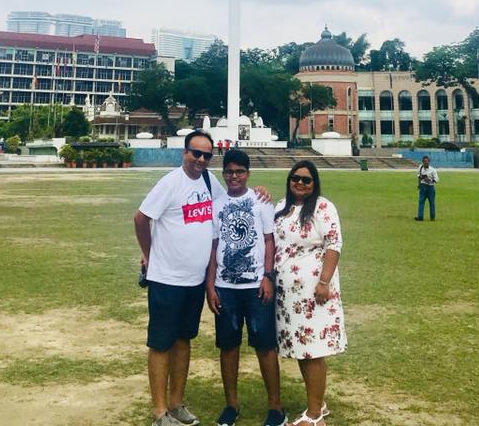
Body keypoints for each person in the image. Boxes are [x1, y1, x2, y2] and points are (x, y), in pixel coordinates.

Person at [134, 130, 271, 426]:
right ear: (184, 152)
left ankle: (176, 403)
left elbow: (233, 197)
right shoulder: (171, 182)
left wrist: (258, 191)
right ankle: (160, 412)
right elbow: (141, 218)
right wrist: (149, 254)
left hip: (195, 280)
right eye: (195, 153)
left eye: (206, 155)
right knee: (161, 343)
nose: (200, 159)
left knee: (184, 340)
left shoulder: (209, 182)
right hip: (166, 278)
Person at [206, 148, 285, 426]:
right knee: (228, 347)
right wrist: (210, 286)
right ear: (223, 173)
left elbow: (269, 241)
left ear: (248, 174)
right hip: (225, 286)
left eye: (239, 172)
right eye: (229, 172)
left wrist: (267, 276)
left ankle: (275, 407)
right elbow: (214, 246)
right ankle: (231, 405)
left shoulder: (260, 201)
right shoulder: (217, 204)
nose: (234, 176)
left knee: (265, 346)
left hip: (256, 286)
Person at [273, 161, 346, 426]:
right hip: (288, 297)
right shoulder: (282, 207)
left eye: (306, 180)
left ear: (314, 184)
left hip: (313, 294)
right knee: (302, 349)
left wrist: (324, 282)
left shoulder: (322, 207)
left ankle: (314, 416)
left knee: (313, 350)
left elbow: (334, 244)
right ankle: (318, 402)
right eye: (295, 178)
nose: (300, 183)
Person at [415, 155, 438, 221]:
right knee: (421, 202)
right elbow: (418, 175)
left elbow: (437, 179)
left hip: (430, 187)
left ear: (429, 162)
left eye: (427, 161)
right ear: (422, 162)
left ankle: (432, 217)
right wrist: (420, 182)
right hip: (422, 187)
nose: (426, 163)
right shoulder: (420, 168)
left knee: (432, 202)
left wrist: (430, 180)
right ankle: (420, 217)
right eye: (424, 161)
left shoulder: (433, 170)